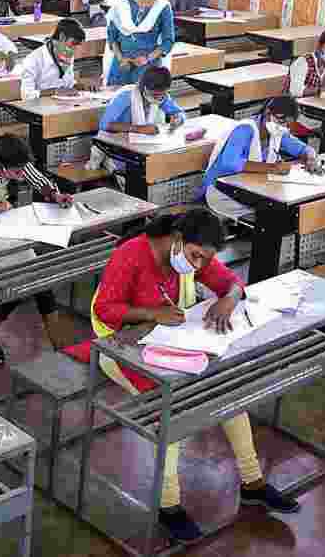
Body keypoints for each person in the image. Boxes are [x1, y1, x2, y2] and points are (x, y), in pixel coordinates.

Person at [74, 210, 300, 542]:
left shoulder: (192, 254)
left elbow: (231, 283)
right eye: (195, 256)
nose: (198, 265)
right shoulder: (132, 254)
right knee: (173, 409)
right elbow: (104, 309)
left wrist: (229, 300)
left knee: (226, 392)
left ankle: (253, 482)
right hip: (118, 347)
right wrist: (154, 314)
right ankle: (168, 505)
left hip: (172, 343)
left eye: (204, 259)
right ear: (178, 238)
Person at [0, 134, 72, 363]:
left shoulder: (14, 164)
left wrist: (54, 195)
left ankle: (59, 344)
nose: (21, 175)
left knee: (37, 280)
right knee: (24, 280)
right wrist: (3, 206)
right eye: (17, 172)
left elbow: (38, 180)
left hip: (9, 233)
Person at [201, 96, 322, 220]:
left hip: (250, 189)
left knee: (280, 210)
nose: (284, 127)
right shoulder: (245, 129)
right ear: (268, 113)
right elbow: (229, 162)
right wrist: (273, 168)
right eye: (282, 121)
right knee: (271, 215)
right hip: (221, 192)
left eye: (288, 124)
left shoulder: (278, 132)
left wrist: (311, 160)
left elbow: (305, 149)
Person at [104, 0, 174, 86]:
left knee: (143, 95)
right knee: (116, 95)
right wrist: (121, 58)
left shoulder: (162, 7)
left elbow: (168, 41)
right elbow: (112, 37)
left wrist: (147, 58)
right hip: (122, 64)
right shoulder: (121, 4)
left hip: (148, 66)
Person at [18, 18, 91, 100]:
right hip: (41, 106)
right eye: (73, 43)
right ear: (62, 37)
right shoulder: (33, 60)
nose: (75, 49)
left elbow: (68, 83)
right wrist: (54, 91)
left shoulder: (67, 54)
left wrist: (80, 86)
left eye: (78, 45)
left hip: (64, 104)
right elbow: (26, 95)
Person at [100, 66, 185, 134]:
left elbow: (178, 112)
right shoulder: (126, 96)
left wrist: (178, 119)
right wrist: (138, 129)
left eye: (163, 94)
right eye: (155, 95)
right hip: (116, 141)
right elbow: (104, 124)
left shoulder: (162, 96)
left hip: (143, 142)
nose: (158, 98)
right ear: (144, 87)